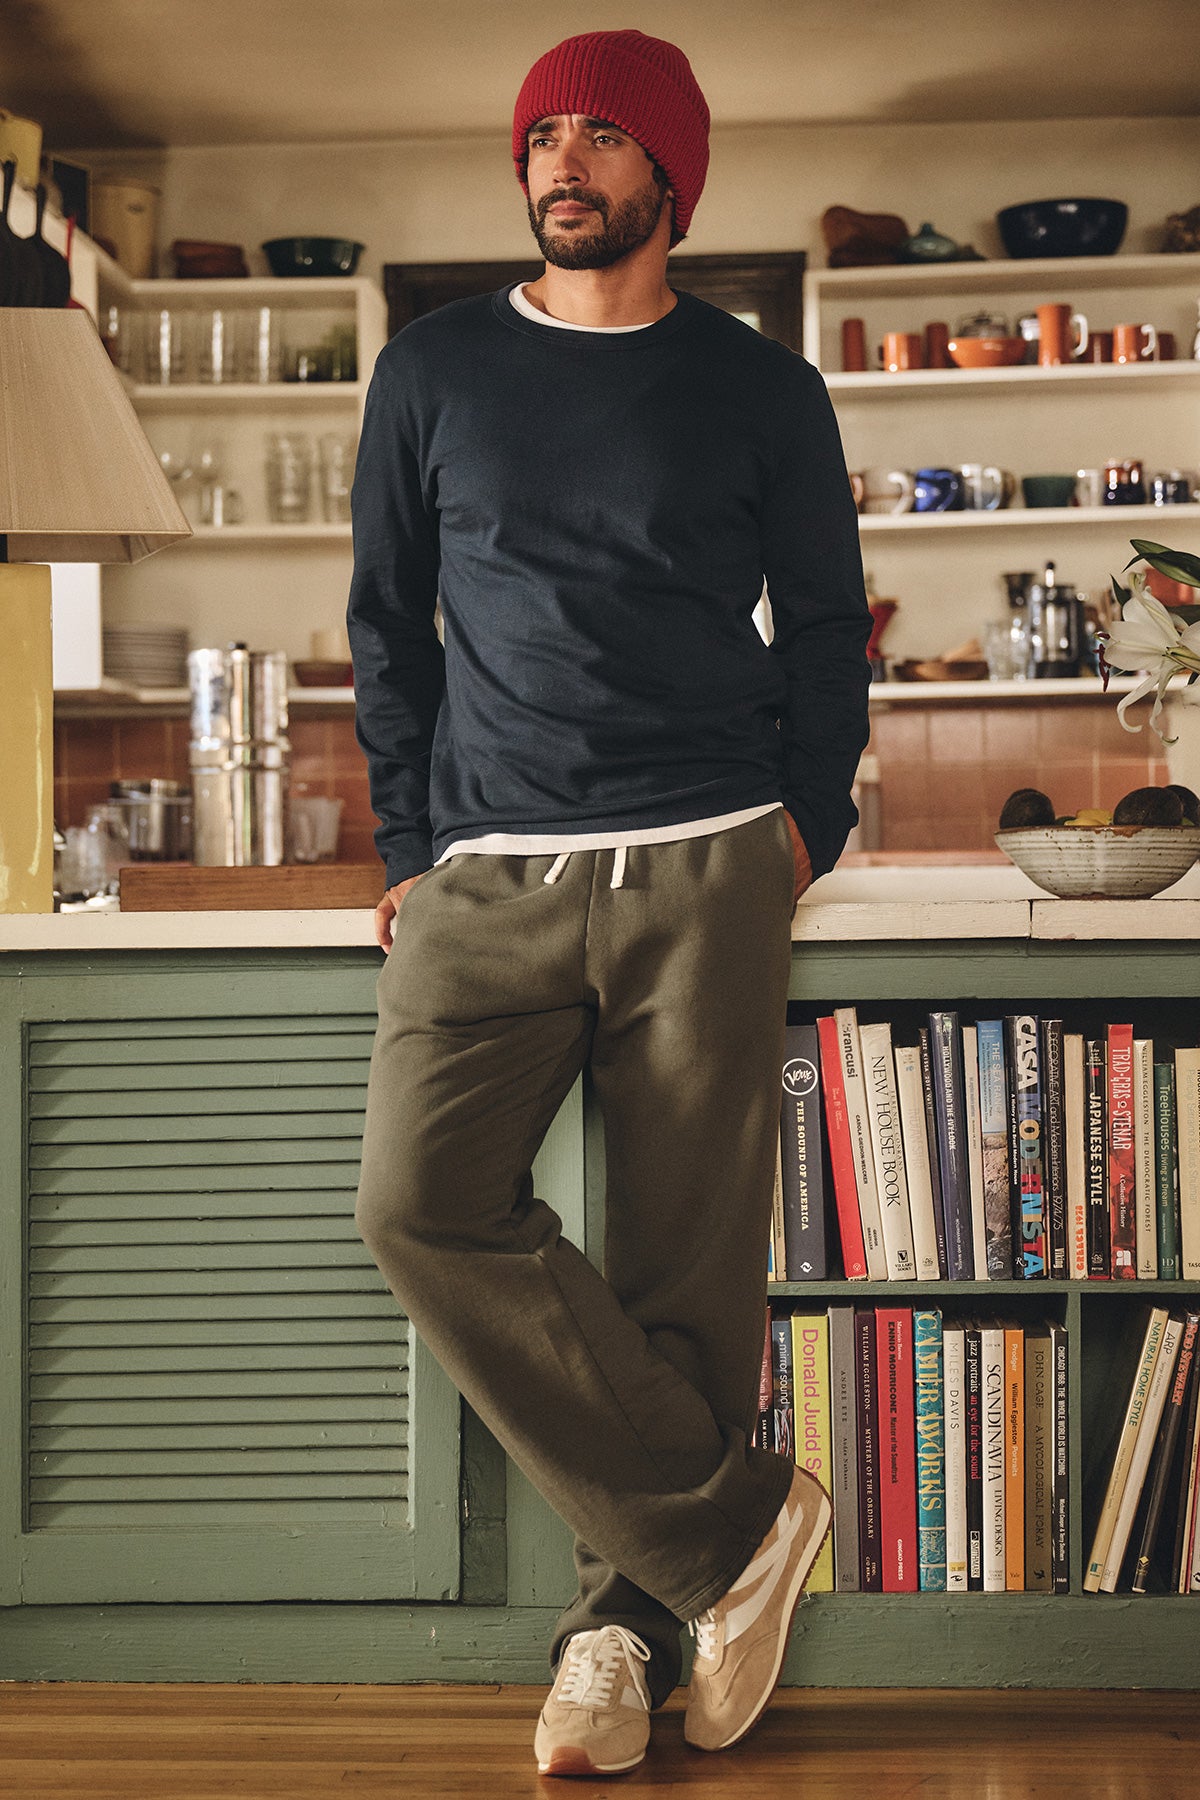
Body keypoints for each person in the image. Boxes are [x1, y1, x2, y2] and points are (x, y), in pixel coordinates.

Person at [348, 27, 871, 1779]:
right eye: (543, 135)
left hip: (709, 858)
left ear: (669, 176)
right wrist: (412, 844)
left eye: (601, 137)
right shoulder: (429, 372)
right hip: (488, 874)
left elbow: (825, 627)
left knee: (682, 1281)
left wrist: (806, 825)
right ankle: (737, 1530)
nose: (562, 162)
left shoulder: (759, 387)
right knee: (419, 1204)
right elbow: (384, 627)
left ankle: (611, 1654)